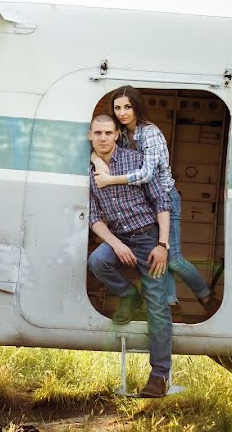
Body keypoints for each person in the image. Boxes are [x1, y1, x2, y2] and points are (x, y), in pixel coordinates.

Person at [91, 86, 219, 317]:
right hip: (146, 201)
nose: (122, 112)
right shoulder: (122, 133)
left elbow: (147, 174)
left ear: (136, 107)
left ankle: (206, 295)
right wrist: (98, 162)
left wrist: (110, 180)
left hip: (165, 198)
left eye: (127, 107)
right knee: (162, 258)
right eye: (117, 107)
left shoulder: (149, 133)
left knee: (174, 259)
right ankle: (171, 303)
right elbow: (101, 150)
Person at [86, 114, 172, 398]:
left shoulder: (135, 161)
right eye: (97, 132)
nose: (102, 138)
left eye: (108, 132)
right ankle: (128, 295)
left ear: (116, 135)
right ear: (90, 136)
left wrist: (162, 245)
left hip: (149, 239)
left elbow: (162, 200)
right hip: (120, 237)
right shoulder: (89, 171)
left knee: (158, 307)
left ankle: (159, 376)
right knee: (98, 261)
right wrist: (117, 245)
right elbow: (95, 218)